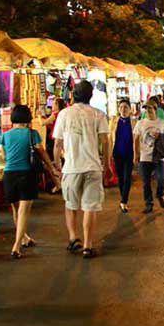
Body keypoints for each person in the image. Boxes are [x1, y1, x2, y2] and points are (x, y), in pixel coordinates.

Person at [53, 80, 111, 259]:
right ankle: (87, 245)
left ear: (73, 94)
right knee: (89, 207)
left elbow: (57, 143)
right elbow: (105, 141)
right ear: (91, 96)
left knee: (70, 205)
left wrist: (57, 165)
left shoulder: (64, 114)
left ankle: (73, 238)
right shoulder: (98, 115)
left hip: (71, 167)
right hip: (93, 167)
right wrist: (107, 163)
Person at [0, 105, 61, 259]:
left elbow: (2, 155)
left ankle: (24, 238)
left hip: (9, 175)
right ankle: (16, 246)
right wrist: (52, 168)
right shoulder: (32, 134)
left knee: (16, 210)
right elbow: (41, 152)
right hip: (26, 175)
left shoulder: (5, 135)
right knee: (23, 212)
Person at [133, 100, 164, 214]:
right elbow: (135, 139)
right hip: (145, 157)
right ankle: (148, 203)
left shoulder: (162, 123)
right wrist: (136, 154)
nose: (148, 110)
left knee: (161, 178)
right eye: (146, 108)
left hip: (158, 156)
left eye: (150, 108)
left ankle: (160, 194)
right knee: (146, 182)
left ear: (155, 109)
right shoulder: (141, 123)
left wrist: (161, 135)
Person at [109, 99, 137, 213]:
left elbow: (137, 140)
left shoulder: (134, 122)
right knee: (120, 178)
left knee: (127, 177)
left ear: (130, 109)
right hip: (117, 153)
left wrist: (137, 154)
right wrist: (109, 153)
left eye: (125, 107)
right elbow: (109, 139)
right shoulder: (114, 121)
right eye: (121, 107)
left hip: (129, 153)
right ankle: (123, 198)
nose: (123, 109)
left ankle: (124, 201)